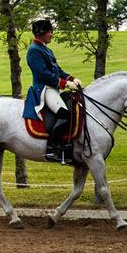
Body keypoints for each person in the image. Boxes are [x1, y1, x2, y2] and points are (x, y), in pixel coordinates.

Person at [23, 19, 82, 163]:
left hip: (53, 89)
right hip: (44, 89)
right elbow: (43, 74)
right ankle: (52, 149)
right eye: (50, 32)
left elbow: (57, 70)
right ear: (41, 33)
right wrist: (64, 83)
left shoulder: (46, 50)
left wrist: (71, 78)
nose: (52, 34)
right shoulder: (34, 50)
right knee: (64, 113)